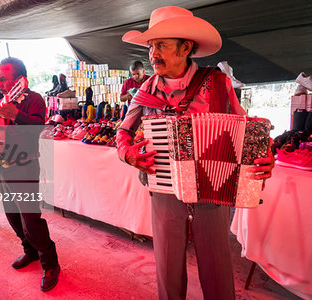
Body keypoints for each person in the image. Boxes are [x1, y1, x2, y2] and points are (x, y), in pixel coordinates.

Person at [117, 6, 275, 300]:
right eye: (151, 46)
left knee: (217, 271)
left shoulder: (217, 83)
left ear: (186, 47)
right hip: (164, 188)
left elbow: (248, 131)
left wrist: (266, 155)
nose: (153, 54)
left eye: (161, 45)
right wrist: (128, 154)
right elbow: (122, 132)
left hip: (213, 188)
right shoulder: (145, 91)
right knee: (167, 267)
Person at [0, 57, 60, 292]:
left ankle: (51, 264)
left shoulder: (34, 99)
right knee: (12, 215)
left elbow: (38, 129)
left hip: (25, 166)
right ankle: (30, 252)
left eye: (3, 78)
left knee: (30, 218)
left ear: (19, 80)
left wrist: (17, 115)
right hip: (1, 165)